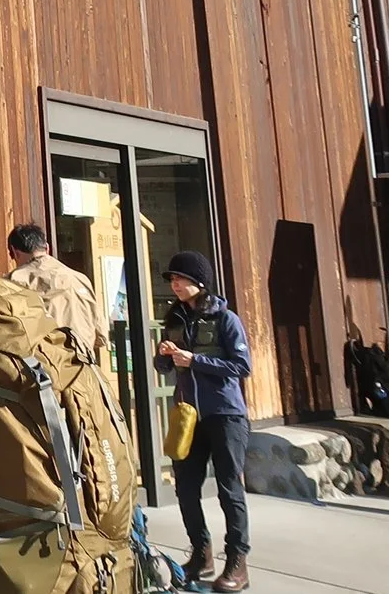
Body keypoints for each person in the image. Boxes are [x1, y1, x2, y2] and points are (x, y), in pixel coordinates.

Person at [154, 251, 252, 592]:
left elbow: (242, 367)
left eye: (180, 278)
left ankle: (238, 563)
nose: (175, 285)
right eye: (172, 280)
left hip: (226, 414)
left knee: (229, 489)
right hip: (189, 416)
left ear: (199, 281)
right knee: (185, 486)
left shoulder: (226, 319)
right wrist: (165, 356)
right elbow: (163, 368)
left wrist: (194, 360)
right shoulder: (175, 318)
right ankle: (201, 553)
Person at [4, 223, 105, 362]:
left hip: (47, 370)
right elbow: (101, 336)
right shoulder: (80, 279)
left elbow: (6, 333)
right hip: (85, 369)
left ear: (14, 252)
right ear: (47, 248)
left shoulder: (16, 280)